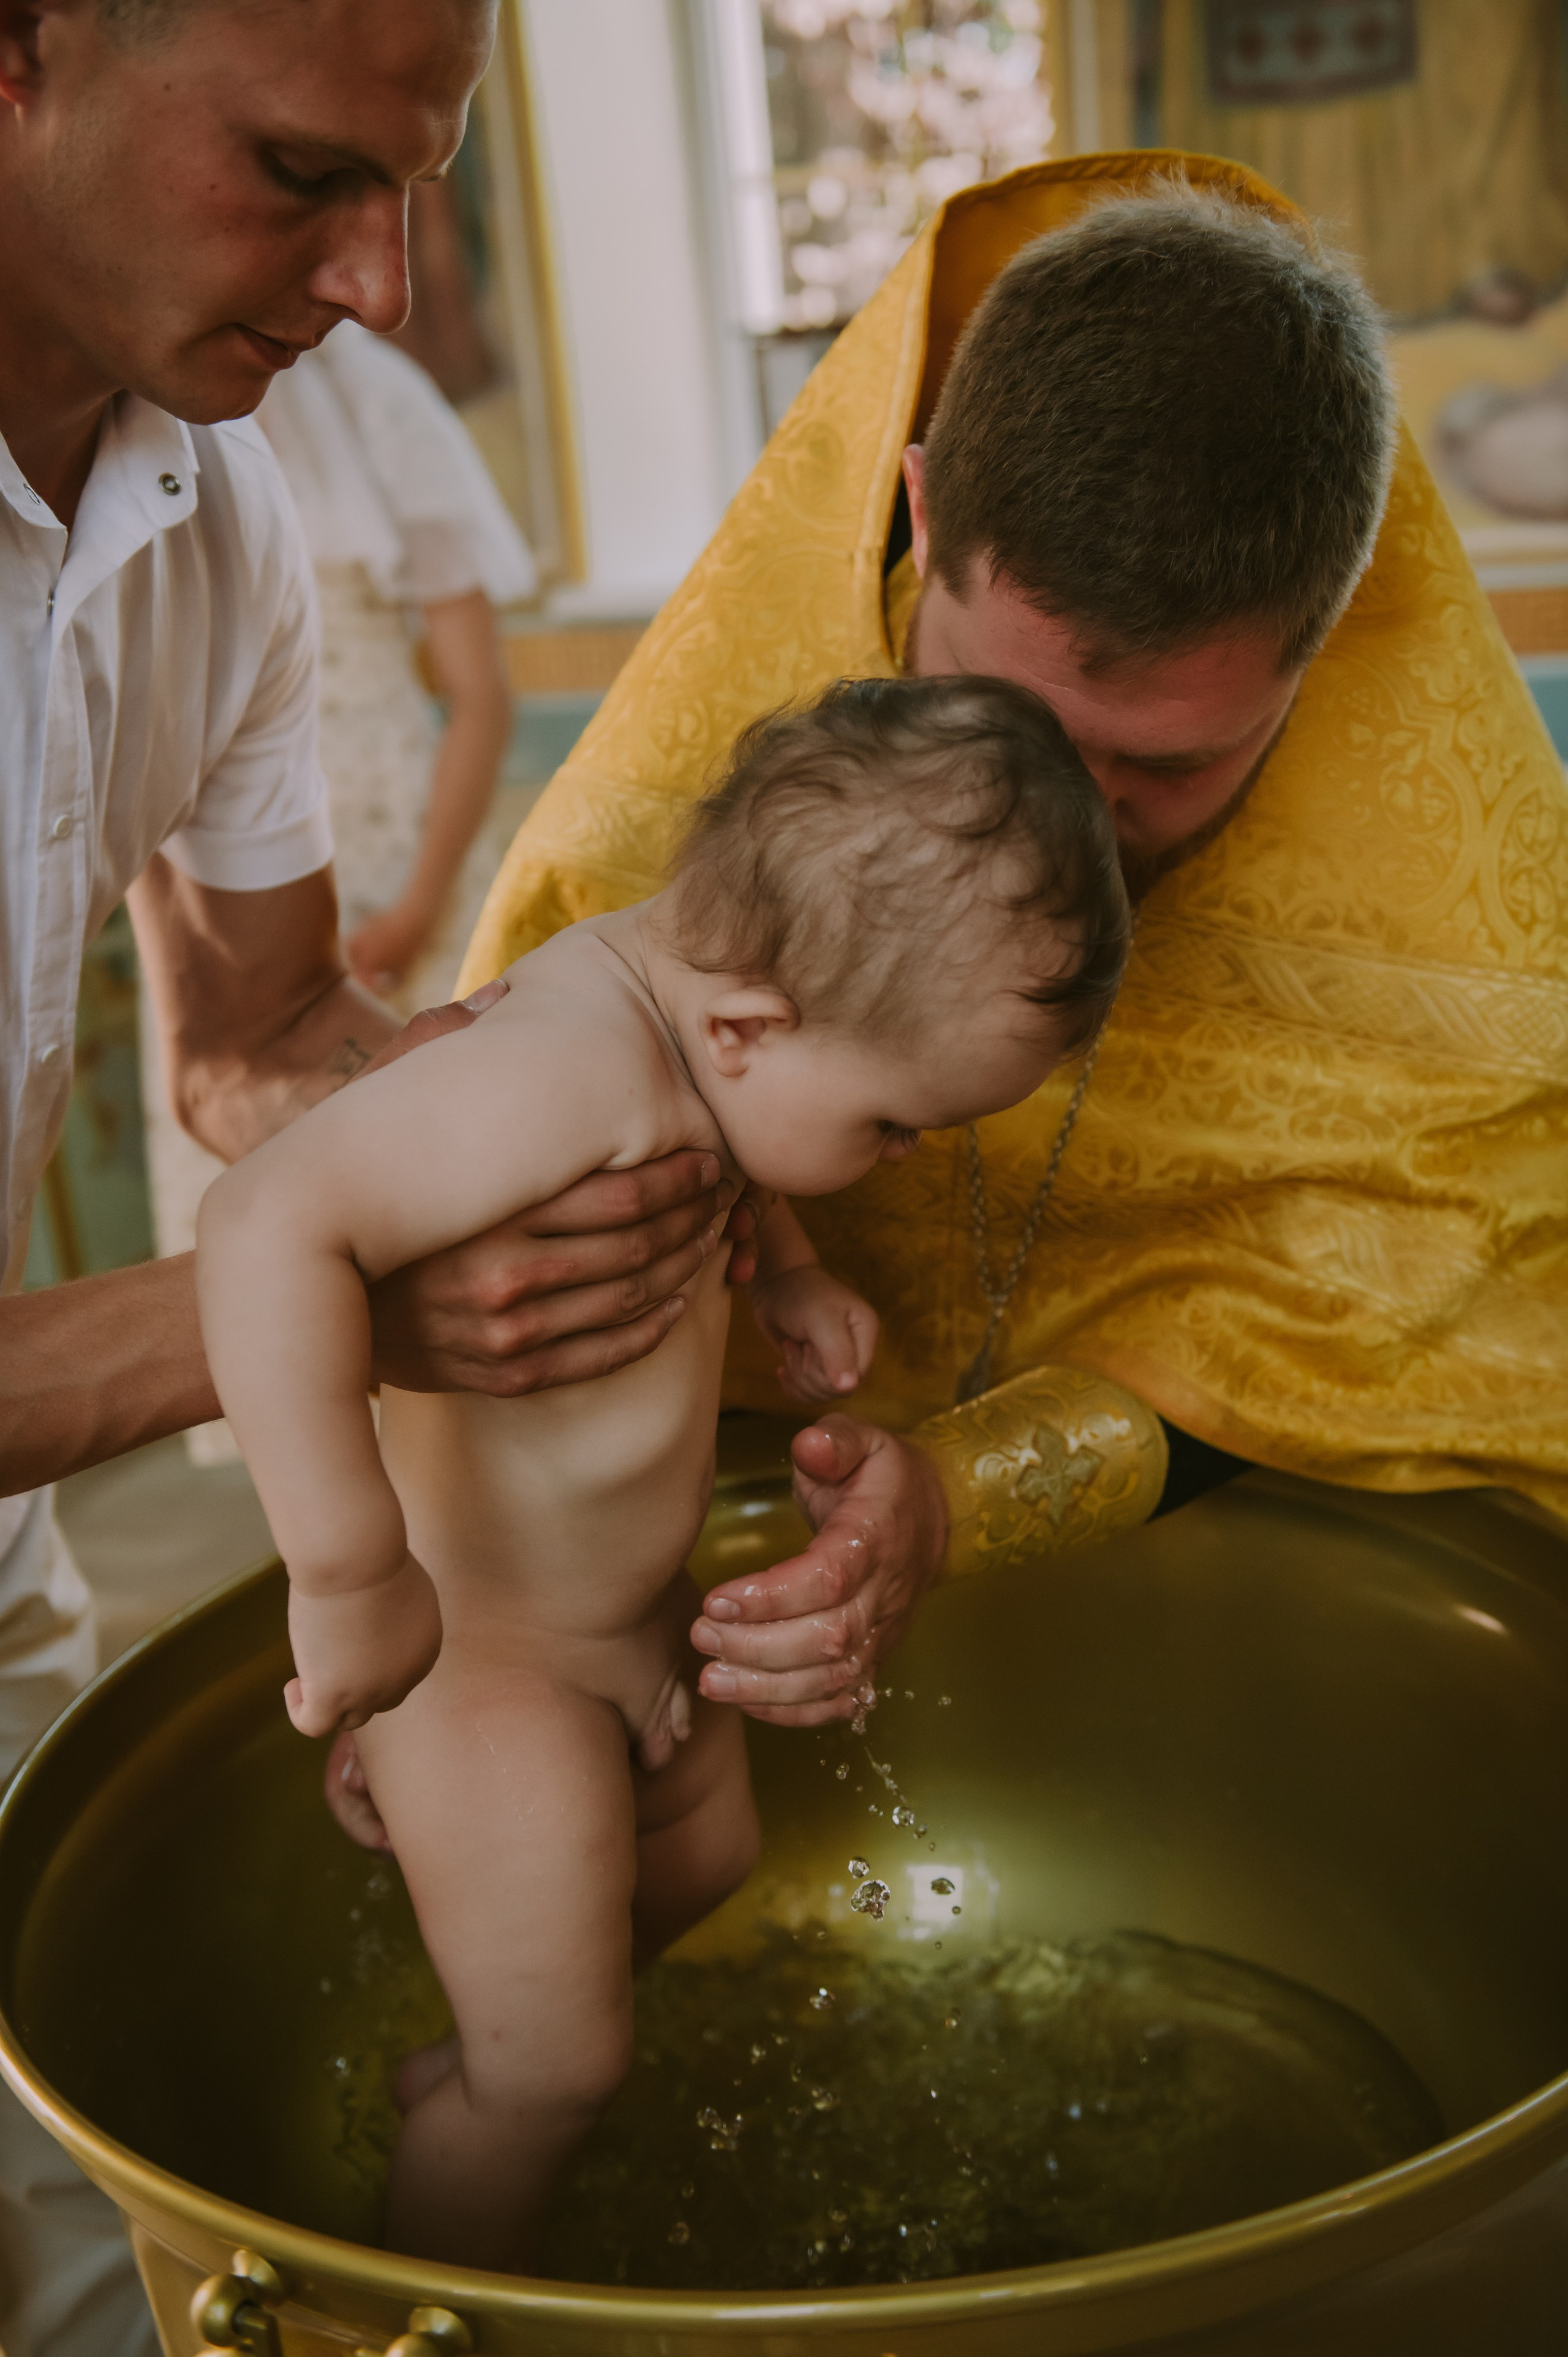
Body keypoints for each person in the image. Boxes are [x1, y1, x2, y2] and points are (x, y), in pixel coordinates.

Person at [456, 160, 1568, 1741]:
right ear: (920, 515)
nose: (1074, 823)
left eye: (1171, 769)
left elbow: (1399, 1326)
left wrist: (968, 1491)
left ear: (1327, 634)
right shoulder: (669, 829)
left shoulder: (1477, 930)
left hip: (1246, 1638)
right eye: (1016, 720)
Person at [0, 0, 739, 2344]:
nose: (384, 287)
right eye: (306, 168)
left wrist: (526, 1103)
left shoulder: (213, 509)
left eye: (412, 185)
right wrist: (307, 1292)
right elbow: (279, 1205)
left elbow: (250, 1047)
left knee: (79, 2239)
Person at [197, 674, 1130, 2269]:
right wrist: (351, 1573)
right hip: (481, 1660)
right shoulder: (550, 1073)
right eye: (897, 1125)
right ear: (755, 1024)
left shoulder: (694, 1024)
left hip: (625, 1623)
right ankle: (428, 2283)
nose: (902, 1156)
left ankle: (484, 2033)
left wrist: (782, 1269)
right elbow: (264, 1224)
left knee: (706, 1870)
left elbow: (730, 1140)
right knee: (566, 2069)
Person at [138, 319, 536, 1456]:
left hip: (398, 837)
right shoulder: (151, 413)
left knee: (441, 1218)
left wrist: (415, 906)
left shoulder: (380, 401)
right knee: (279, 1230)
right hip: (221, 855)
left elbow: (481, 693)